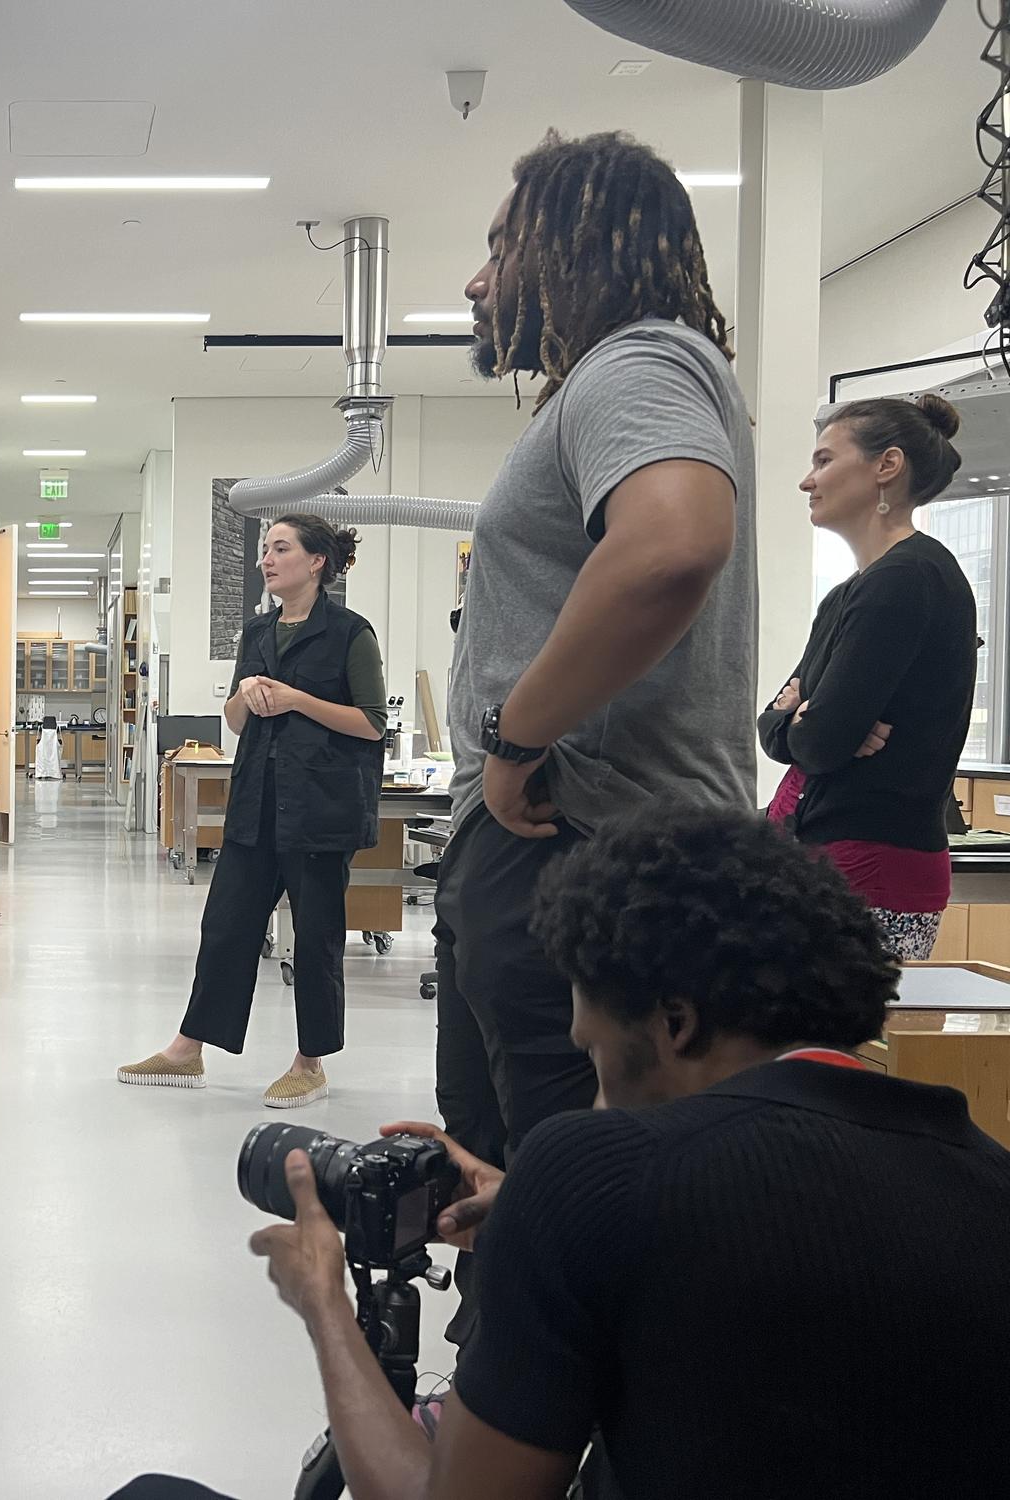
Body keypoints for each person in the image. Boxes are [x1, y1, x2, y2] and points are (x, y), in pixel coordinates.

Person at [119, 809, 1010, 1500]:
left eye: (593, 1056)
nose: (596, 1097)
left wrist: (325, 1306)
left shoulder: (596, 1170)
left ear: (676, 1023)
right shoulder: (986, 1173)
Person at [435, 129, 757, 1187]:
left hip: (582, 850)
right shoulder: (622, 377)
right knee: (512, 1183)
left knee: (589, 1198)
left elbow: (669, 546)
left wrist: (513, 735)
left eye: (500, 246)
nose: (476, 282)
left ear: (579, 248)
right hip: (569, 851)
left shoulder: (639, 360)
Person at [119, 515, 386, 1106]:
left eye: (280, 549)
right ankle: (188, 1050)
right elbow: (236, 724)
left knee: (316, 936)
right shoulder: (256, 634)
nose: (266, 559)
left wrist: (296, 699)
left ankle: (309, 1062)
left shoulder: (349, 633)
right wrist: (243, 697)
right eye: (265, 549)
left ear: (317, 562)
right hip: (256, 804)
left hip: (320, 809)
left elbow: (370, 724)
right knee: (225, 927)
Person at [759, 394, 974, 959]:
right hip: (813, 855)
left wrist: (809, 718)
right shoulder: (849, 594)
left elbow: (823, 741)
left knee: (833, 1045)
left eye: (825, 460)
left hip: (866, 867)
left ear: (886, 466)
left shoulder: (908, 579)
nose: (808, 481)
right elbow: (776, 726)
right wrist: (797, 720)